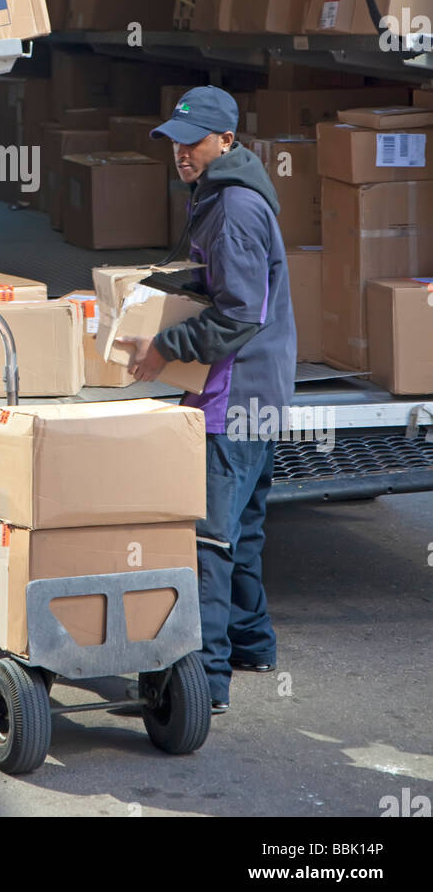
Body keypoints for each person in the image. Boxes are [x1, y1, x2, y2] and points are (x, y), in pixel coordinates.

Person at [118, 86, 296, 714]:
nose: (181, 153)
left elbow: (241, 311)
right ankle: (254, 645)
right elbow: (231, 285)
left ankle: (206, 684)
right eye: (173, 142)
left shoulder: (236, 208)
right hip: (260, 390)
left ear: (225, 140)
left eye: (192, 143)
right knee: (244, 530)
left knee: (210, 542)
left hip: (236, 395)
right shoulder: (223, 195)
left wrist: (166, 345)